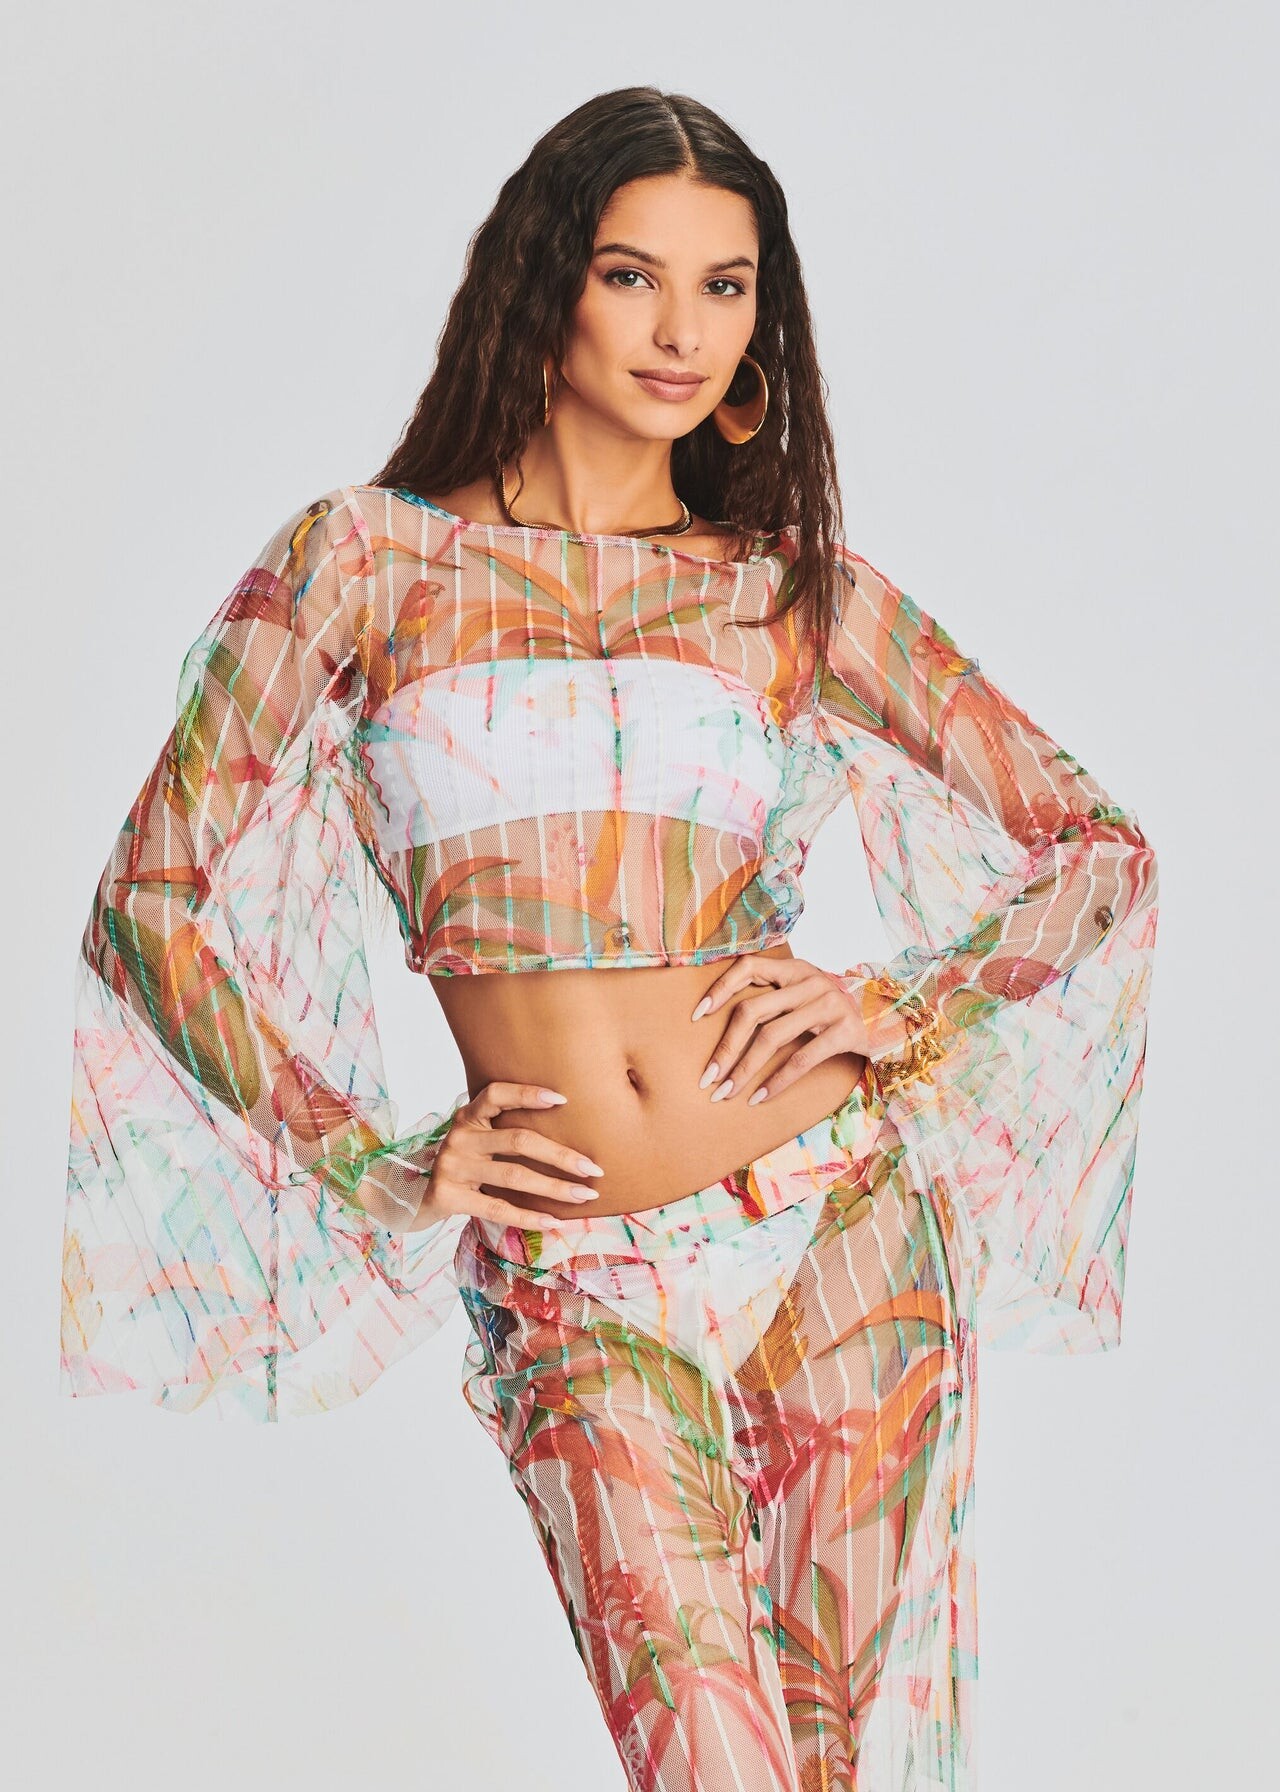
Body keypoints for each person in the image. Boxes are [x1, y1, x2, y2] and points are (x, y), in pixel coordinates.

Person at [59, 86, 1159, 1792]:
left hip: (839, 1225)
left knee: (828, 1766)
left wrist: (903, 1004)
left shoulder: (785, 589)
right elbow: (148, 900)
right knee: (712, 1758)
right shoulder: (367, 563)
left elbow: (1095, 850)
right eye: (634, 275)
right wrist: (365, 1157)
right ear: (543, 277)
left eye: (727, 288)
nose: (681, 333)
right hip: (572, 1264)